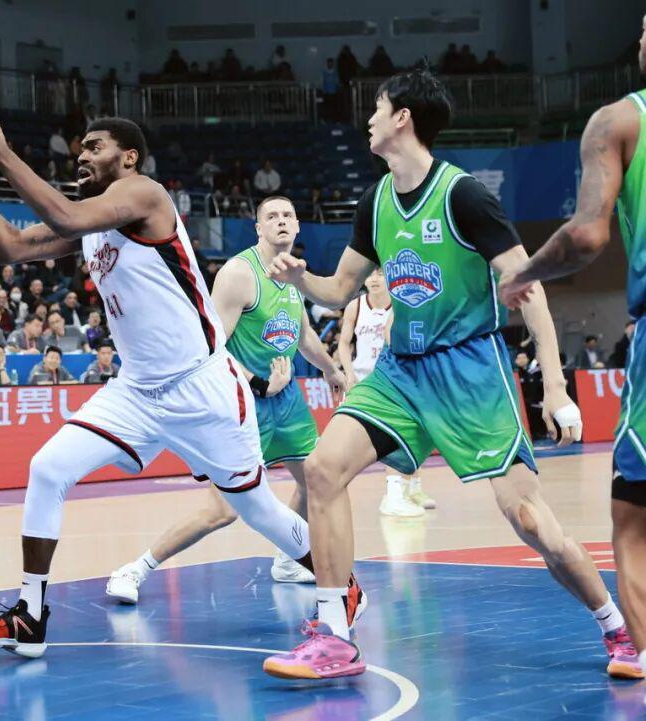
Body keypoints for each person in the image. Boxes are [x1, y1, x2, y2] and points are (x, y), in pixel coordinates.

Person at [262, 69, 635, 681]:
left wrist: (555, 386)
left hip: (470, 372)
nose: (369, 120)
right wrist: (302, 278)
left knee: (529, 520)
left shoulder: (464, 196)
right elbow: (338, 289)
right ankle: (334, 634)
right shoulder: (375, 201)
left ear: (403, 117)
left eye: (378, 108)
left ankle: (616, 627)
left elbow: (530, 288)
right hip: (401, 372)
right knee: (324, 468)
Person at [0, 115, 317, 659]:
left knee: (257, 511)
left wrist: (0, 153)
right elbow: (12, 248)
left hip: (201, 385)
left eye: (95, 147)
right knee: (48, 469)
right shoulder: (91, 224)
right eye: (80, 149)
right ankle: (29, 617)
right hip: (136, 391)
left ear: (129, 157)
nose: (82, 156)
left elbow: (64, 214)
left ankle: (339, 584)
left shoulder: (145, 195)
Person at [497, 19, 646, 680]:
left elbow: (587, 236)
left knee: (634, 518)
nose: (638, 38)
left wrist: (524, 274)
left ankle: (641, 650)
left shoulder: (619, 120)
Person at [106, 196, 348, 603]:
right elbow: (211, 345)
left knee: (317, 478)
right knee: (223, 510)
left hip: (287, 401)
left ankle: (289, 561)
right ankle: (135, 569)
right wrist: (259, 383)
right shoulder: (239, 273)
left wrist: (329, 368)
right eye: (272, 216)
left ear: (297, 226)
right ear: (258, 228)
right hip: (242, 402)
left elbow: (303, 334)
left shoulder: (294, 275)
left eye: (288, 215)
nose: (281, 220)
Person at [338, 268, 434, 517]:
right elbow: (344, 343)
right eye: (369, 274)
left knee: (410, 434)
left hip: (394, 379)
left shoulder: (401, 304)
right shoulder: (356, 306)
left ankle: (411, 489)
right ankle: (391, 493)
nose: (373, 279)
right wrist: (348, 374)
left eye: (379, 274)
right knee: (351, 445)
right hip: (363, 381)